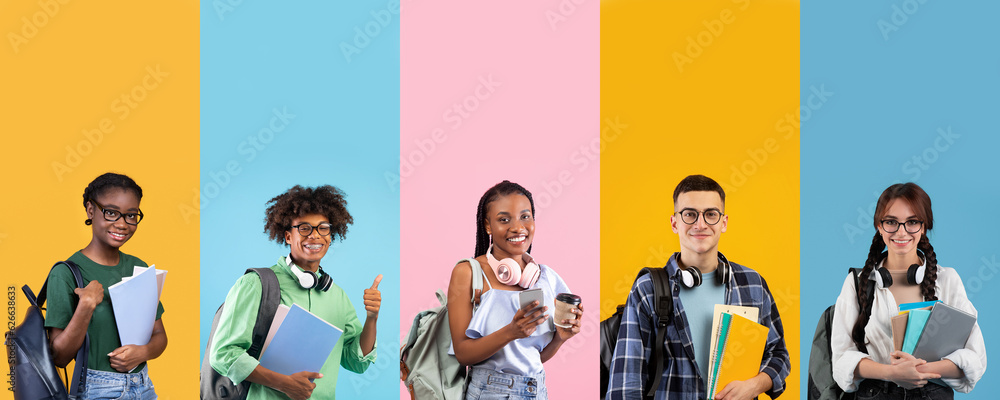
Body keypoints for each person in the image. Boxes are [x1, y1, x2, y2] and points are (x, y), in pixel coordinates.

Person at [606, 174, 789, 400]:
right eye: (690, 214)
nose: (700, 224)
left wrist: (754, 385)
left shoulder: (752, 284)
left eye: (711, 214)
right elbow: (626, 382)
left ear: (724, 222)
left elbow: (778, 355)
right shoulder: (648, 288)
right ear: (675, 223)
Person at [209, 185, 382, 400]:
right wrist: (284, 384)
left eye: (323, 228)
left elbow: (356, 362)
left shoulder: (338, 297)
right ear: (288, 236)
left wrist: (372, 319)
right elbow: (223, 355)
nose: (315, 235)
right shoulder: (255, 284)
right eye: (304, 228)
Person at [830, 183, 986, 399]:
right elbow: (841, 360)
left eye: (912, 222)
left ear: (923, 227)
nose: (901, 232)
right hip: (875, 393)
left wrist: (918, 370)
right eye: (891, 222)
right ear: (879, 226)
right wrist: (891, 373)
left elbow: (974, 358)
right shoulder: (857, 282)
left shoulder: (947, 280)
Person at [447, 180, 584, 400]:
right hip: (489, 392)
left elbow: (531, 358)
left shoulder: (545, 277)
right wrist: (511, 332)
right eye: (504, 219)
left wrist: (560, 338)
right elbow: (463, 354)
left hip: (537, 390)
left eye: (525, 216)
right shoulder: (468, 273)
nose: (518, 227)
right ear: (488, 226)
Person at [45, 172, 166, 399]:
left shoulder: (138, 268)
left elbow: (159, 334)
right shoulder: (65, 273)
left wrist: (142, 352)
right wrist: (86, 306)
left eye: (131, 215)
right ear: (91, 210)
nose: (122, 224)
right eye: (111, 213)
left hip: (144, 387)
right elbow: (59, 357)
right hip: (97, 389)